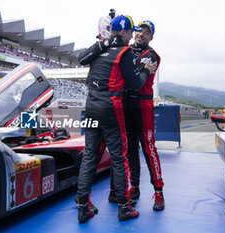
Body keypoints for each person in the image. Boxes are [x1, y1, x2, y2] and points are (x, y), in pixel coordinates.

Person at [76, 15, 158, 223]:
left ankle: (83, 206)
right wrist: (144, 71)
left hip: (90, 106)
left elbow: (81, 58)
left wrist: (104, 43)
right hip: (111, 107)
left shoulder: (98, 49)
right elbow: (135, 84)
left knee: (89, 157)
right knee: (120, 156)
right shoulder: (124, 52)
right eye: (130, 32)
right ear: (122, 32)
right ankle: (123, 206)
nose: (132, 36)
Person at [119, 20, 165, 211]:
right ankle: (135, 187)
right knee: (130, 149)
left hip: (143, 104)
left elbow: (136, 77)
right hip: (126, 104)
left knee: (148, 148)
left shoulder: (152, 56)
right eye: (139, 31)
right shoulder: (126, 50)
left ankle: (159, 192)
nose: (141, 34)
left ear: (151, 37)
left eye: (146, 32)